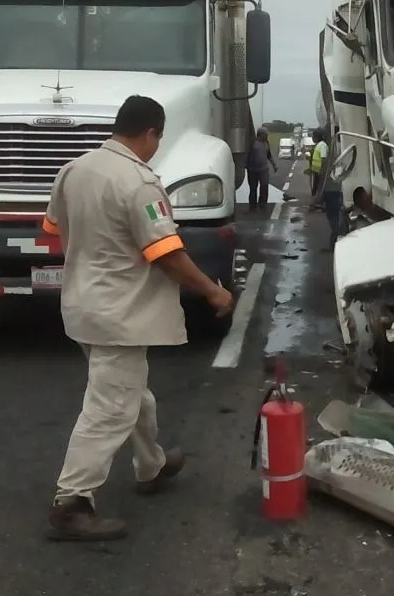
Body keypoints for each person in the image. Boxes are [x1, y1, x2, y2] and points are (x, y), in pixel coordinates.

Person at [40, 94, 235, 542]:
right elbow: (165, 253)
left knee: (130, 392)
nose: (156, 147)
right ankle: (71, 502)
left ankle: (153, 465)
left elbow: (51, 229)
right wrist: (212, 291)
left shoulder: (76, 169)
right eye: (158, 138)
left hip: (82, 305)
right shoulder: (139, 182)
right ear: (150, 132)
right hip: (120, 313)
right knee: (110, 407)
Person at [245, 127, 277, 211]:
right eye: (265, 134)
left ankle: (262, 204)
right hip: (252, 169)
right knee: (253, 188)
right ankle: (252, 207)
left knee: (264, 186)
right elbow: (247, 155)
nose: (267, 136)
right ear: (261, 135)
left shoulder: (266, 143)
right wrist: (245, 164)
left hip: (263, 169)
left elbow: (269, 155)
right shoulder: (253, 143)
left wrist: (274, 165)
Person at [307, 128, 329, 211]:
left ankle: (321, 204)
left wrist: (322, 171)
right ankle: (318, 202)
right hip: (316, 171)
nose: (312, 138)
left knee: (321, 188)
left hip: (320, 171)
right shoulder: (318, 145)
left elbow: (324, 159)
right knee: (317, 188)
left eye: (314, 136)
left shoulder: (322, 145)